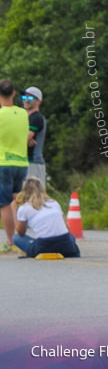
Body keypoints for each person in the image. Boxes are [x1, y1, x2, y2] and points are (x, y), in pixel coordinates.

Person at [14, 177, 80, 258]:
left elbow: (21, 232)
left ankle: (30, 250)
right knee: (71, 236)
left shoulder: (24, 208)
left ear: (24, 192)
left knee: (16, 238)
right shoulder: (54, 203)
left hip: (43, 247)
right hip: (66, 246)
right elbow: (67, 228)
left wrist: (15, 210)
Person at [0, 79, 29, 254]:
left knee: (4, 204)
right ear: (14, 94)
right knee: (16, 201)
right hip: (21, 162)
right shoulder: (23, 113)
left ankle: (11, 242)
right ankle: (21, 239)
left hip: (4, 162)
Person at [23, 87, 47, 187]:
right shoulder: (24, 117)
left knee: (36, 197)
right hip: (26, 162)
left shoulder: (36, 117)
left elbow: (25, 138)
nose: (26, 100)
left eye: (31, 98)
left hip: (34, 162)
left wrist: (25, 138)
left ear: (38, 101)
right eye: (24, 97)